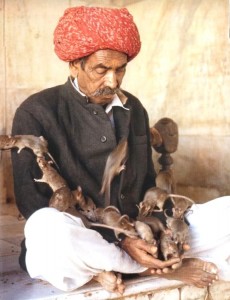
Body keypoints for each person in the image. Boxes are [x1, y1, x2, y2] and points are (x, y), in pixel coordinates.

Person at [11, 5, 229, 294]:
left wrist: (161, 235)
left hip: (141, 231)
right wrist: (121, 241)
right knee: (46, 229)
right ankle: (147, 265)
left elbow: (149, 186)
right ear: (75, 64)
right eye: (102, 69)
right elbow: (32, 203)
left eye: (120, 69)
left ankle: (136, 262)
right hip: (83, 238)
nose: (113, 81)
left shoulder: (134, 108)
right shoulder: (37, 111)